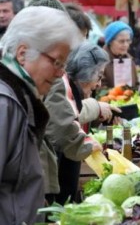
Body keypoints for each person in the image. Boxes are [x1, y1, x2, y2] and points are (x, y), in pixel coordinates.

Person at [0, 6, 82, 224]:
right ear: (22, 53)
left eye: (63, 64)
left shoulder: (18, 98)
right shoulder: (5, 103)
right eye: (56, 62)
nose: (60, 73)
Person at [44, 41, 116, 205]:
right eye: (98, 76)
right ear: (85, 73)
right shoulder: (60, 85)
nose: (98, 84)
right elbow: (62, 130)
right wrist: (88, 145)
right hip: (51, 170)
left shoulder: (69, 85)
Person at [102, 20, 138, 88]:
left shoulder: (130, 60)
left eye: (128, 40)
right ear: (110, 42)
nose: (126, 45)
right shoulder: (100, 61)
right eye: (121, 41)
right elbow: (100, 90)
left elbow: (136, 84)